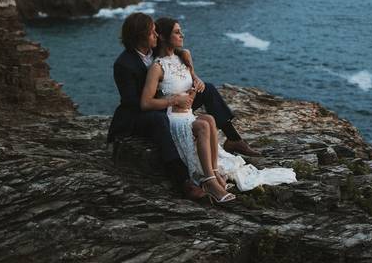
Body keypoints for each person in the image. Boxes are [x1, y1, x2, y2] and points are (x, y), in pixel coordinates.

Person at [145, 17, 296, 195]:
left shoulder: (184, 55)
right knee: (205, 119)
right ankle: (210, 178)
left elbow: (191, 79)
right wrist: (175, 100)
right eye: (177, 32)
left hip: (186, 109)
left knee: (208, 106)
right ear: (163, 37)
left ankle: (226, 152)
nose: (182, 35)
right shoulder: (156, 66)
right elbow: (146, 101)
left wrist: (197, 81)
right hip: (173, 114)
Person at [107, 12, 205, 200]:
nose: (157, 35)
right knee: (160, 119)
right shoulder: (123, 64)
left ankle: (232, 136)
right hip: (136, 115)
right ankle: (182, 180)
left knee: (206, 91)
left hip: (162, 103)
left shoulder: (154, 51)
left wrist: (191, 70)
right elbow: (132, 102)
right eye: (152, 33)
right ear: (140, 37)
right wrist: (168, 102)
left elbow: (175, 52)